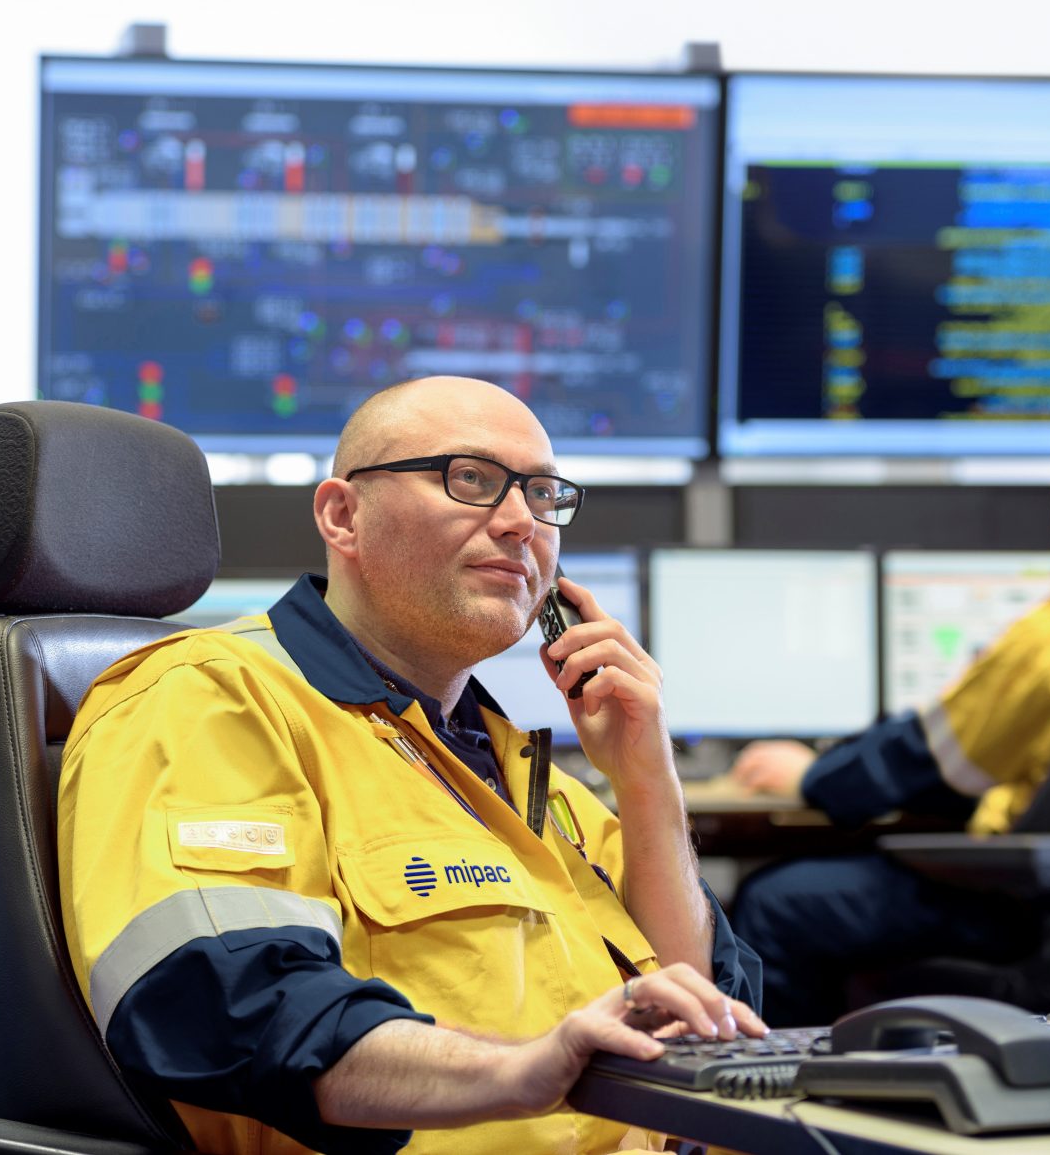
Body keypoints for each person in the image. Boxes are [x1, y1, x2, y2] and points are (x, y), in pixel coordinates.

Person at [58, 376, 764, 1155]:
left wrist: (646, 778)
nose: (520, 521)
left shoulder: (523, 775)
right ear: (343, 515)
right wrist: (523, 1070)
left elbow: (706, 1014)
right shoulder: (209, 700)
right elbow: (233, 1005)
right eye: (470, 479)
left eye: (542, 493)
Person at [728, 397, 1050, 1026]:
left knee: (777, 903)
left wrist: (809, 777)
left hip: (1021, 906)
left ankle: (777, 1105)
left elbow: (923, 757)